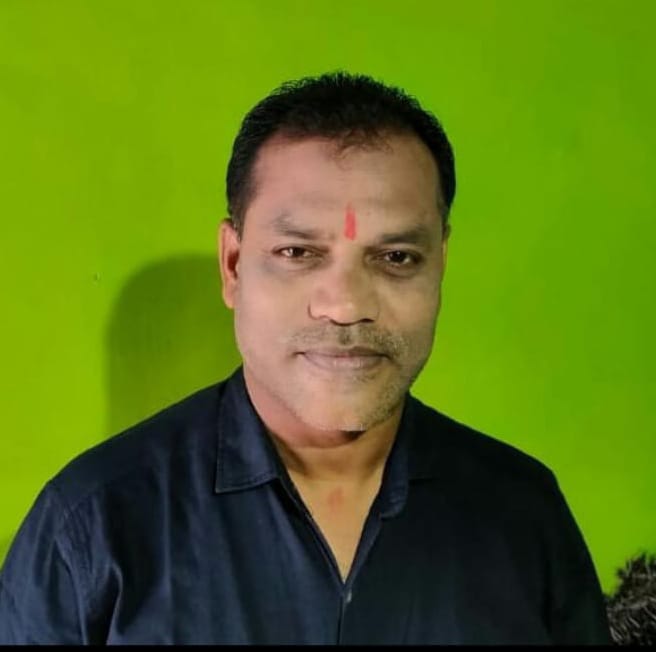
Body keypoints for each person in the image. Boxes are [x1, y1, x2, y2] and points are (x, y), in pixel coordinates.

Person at [0, 71, 612, 645]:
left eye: (396, 258)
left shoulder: (523, 518)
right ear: (233, 265)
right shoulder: (90, 527)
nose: (345, 306)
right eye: (297, 253)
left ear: (440, 266)